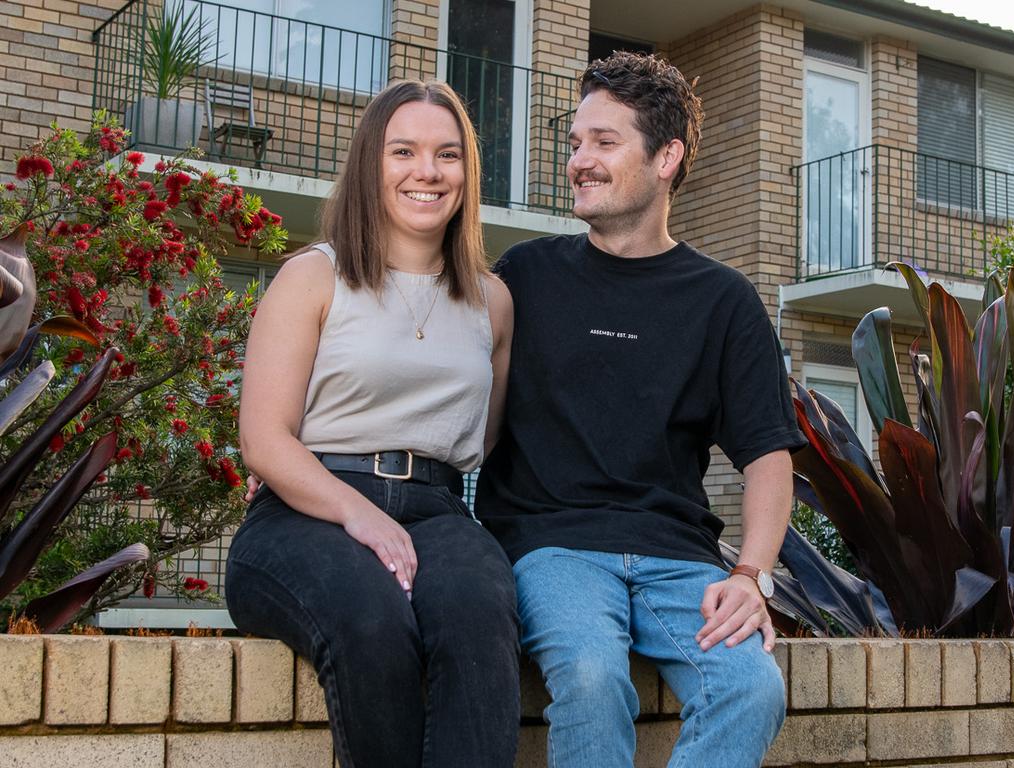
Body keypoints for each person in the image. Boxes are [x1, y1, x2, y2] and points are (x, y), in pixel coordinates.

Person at [475, 51, 806, 768]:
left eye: (603, 142)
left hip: (678, 560)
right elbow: (433, 375)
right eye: (574, 143)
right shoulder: (524, 276)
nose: (578, 161)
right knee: (593, 679)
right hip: (550, 546)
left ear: (666, 158)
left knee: (751, 689)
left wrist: (750, 575)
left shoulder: (723, 301)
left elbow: (767, 455)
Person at [225, 79, 519, 768]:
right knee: (373, 621)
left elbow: (488, 438)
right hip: (307, 511)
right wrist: (357, 512)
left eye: (447, 155)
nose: (427, 171)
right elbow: (263, 438)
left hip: (438, 510)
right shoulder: (313, 277)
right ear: (369, 163)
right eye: (404, 151)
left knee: (481, 615)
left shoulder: (493, 303)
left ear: (466, 173)